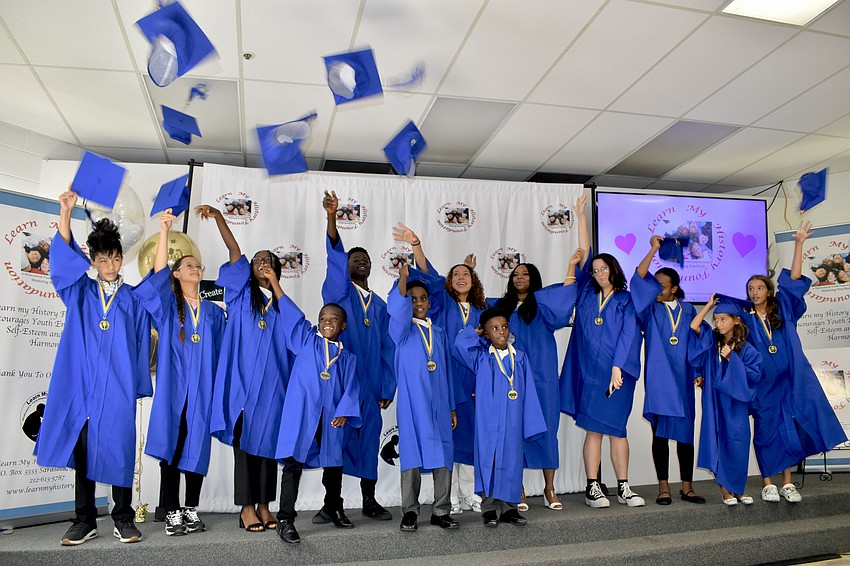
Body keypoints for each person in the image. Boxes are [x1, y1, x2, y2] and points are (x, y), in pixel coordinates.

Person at [36, 190, 152, 545]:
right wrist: (65, 211)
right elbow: (61, 261)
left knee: (119, 446)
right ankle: (84, 519)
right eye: (103, 260)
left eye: (115, 259)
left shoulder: (132, 298)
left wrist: (135, 384)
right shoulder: (80, 292)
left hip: (116, 386)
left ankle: (122, 517)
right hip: (83, 386)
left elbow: (140, 340)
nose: (111, 266)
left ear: (121, 259)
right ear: (94, 261)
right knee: (83, 450)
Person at [489, 194, 589, 511]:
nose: (520, 277)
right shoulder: (499, 307)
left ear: (533, 279)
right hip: (510, 381)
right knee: (513, 432)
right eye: (516, 274)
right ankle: (516, 490)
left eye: (525, 274)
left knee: (547, 431)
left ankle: (549, 489)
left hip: (543, 379)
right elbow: (472, 313)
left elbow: (568, 292)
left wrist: (572, 264)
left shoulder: (543, 302)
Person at [196, 204, 292, 533]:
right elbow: (234, 249)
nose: (263, 264)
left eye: (269, 261)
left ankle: (266, 505)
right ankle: (247, 508)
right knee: (245, 449)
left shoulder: (282, 304)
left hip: (272, 391)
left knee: (267, 449)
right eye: (258, 260)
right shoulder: (238, 294)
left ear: (277, 270)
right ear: (250, 269)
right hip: (241, 389)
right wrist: (220, 218)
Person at [744, 221, 847, 503]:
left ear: (768, 290)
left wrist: (800, 242)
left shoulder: (783, 309)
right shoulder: (744, 319)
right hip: (763, 384)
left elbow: (793, 281)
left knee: (790, 428)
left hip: (790, 379)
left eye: (759, 288)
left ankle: (787, 483)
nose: (754, 292)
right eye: (750, 289)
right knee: (766, 432)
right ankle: (768, 482)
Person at [137, 210, 226, 536]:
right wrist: (163, 231)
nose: (196, 269)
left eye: (198, 266)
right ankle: (171, 509)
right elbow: (158, 271)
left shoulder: (215, 314)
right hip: (175, 390)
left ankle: (190, 508)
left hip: (203, 391)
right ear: (177, 274)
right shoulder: (166, 304)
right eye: (189, 265)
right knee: (171, 446)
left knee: (197, 448)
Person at [392, 222, 485, 515]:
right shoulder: (436, 309)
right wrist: (416, 247)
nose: (460, 278)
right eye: (455, 274)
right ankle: (433, 503)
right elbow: (428, 277)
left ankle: (460, 496)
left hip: (465, 384)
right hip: (430, 386)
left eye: (466, 275)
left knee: (463, 439)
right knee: (433, 446)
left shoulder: (474, 314)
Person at [560, 196, 645, 509]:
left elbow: (628, 335)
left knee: (617, 430)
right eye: (594, 270)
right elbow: (585, 252)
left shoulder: (626, 299)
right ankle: (593, 487)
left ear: (613, 269)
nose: (598, 272)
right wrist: (580, 216)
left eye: (603, 268)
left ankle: (624, 486)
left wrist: (618, 367)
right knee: (594, 430)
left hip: (616, 373)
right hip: (588, 372)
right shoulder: (585, 292)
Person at [321, 190, 395, 521]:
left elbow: (388, 349)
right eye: (354, 259)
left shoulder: (380, 306)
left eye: (365, 259)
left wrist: (387, 388)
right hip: (341, 384)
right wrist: (332, 218)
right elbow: (334, 257)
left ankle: (369, 501)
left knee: (367, 444)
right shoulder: (341, 295)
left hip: (370, 387)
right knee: (335, 441)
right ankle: (331, 503)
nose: (360, 261)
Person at [274, 294, 361, 544]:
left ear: (343, 325)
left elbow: (351, 388)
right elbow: (291, 316)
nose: (327, 322)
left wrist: (345, 410)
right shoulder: (306, 341)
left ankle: (332, 507)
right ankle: (285, 519)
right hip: (303, 413)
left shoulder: (347, 357)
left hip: (331, 416)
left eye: (334, 319)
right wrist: (276, 284)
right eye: (323, 318)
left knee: (334, 464)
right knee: (293, 464)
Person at [454, 308, 549, 527]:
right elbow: (459, 344)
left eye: (504, 327)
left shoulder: (520, 358)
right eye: (494, 328)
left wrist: (529, 422)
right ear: (486, 333)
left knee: (512, 462)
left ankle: (509, 509)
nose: (501, 332)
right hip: (487, 422)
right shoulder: (481, 357)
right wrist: (476, 332)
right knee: (488, 460)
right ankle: (488, 509)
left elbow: (530, 392)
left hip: (512, 421)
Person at [631, 237, 704, 506]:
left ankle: (687, 487)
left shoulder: (688, 310)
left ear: (674, 288)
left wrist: (698, 369)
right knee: (660, 433)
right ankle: (664, 487)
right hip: (660, 379)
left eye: (661, 286)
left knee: (685, 433)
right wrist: (652, 249)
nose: (656, 289)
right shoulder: (649, 310)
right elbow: (638, 279)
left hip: (683, 377)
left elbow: (698, 341)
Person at [388, 264, 459, 532]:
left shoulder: (438, 333)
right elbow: (397, 309)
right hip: (412, 404)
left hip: (439, 404)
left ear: (430, 303)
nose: (418, 303)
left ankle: (441, 510)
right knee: (412, 454)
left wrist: (452, 407)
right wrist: (404, 279)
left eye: (423, 298)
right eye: (413, 299)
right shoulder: (402, 333)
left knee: (443, 453)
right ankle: (410, 510)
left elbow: (448, 374)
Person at [688, 295, 761, 505]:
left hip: (736, 402)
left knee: (738, 442)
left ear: (736, 320)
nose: (718, 324)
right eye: (716, 319)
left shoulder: (747, 348)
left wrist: (732, 359)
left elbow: (754, 374)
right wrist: (709, 305)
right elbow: (694, 326)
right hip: (714, 399)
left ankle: (738, 489)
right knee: (718, 440)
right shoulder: (712, 341)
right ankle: (725, 490)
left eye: (723, 319)